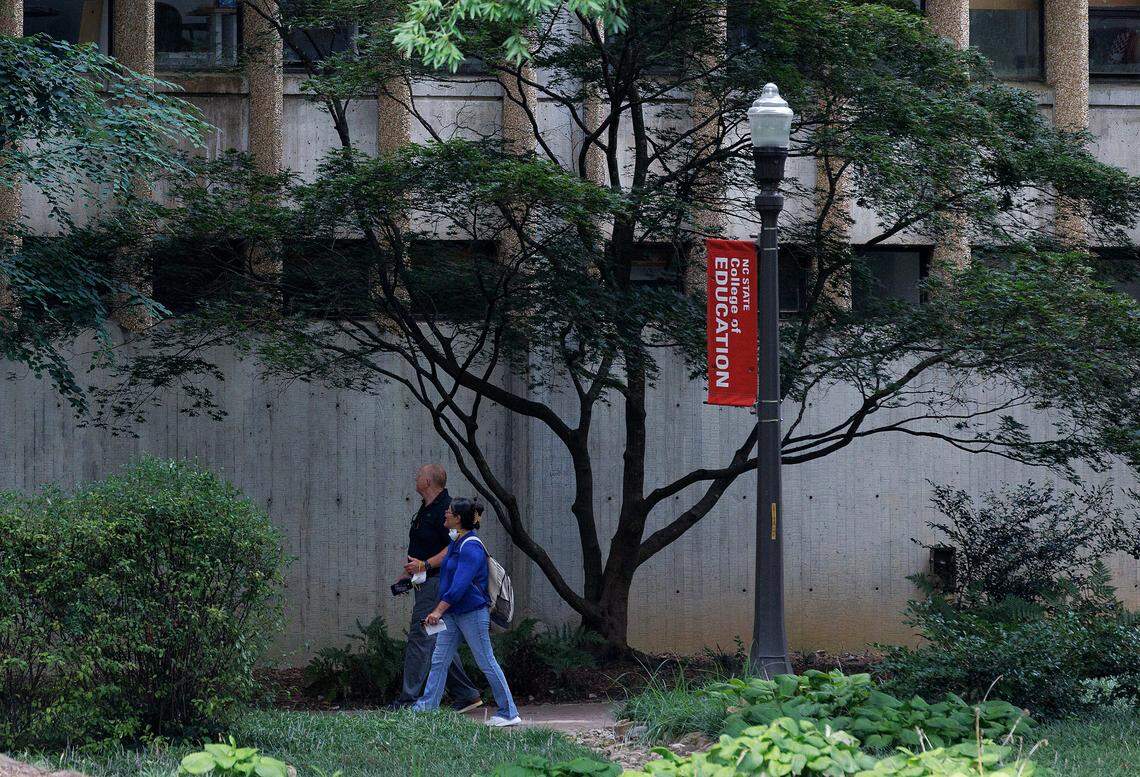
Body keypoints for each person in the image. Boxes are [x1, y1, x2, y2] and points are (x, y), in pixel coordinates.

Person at [414, 498, 521, 727]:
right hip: (454, 613)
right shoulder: (457, 542)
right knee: (439, 659)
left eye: (449, 512)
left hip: (471, 613)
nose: (445, 513)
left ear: (458, 518)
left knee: (486, 660)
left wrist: (438, 610)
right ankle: (426, 708)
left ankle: (509, 712)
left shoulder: (470, 545)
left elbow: (460, 585)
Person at [389, 464, 483, 712]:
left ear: (429, 481)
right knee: (439, 639)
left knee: (420, 638)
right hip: (425, 580)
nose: (416, 477)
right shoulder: (427, 508)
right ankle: (468, 694)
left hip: (437, 582)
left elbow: (454, 545)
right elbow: (420, 552)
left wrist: (425, 565)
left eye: (419, 475)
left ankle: (408, 699)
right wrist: (406, 577)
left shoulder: (448, 509)